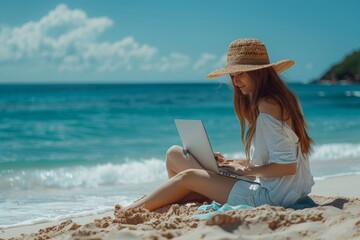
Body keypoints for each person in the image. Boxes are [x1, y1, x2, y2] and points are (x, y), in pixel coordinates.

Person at [119, 38, 315, 213]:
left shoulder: (268, 105)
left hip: (270, 197)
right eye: (232, 76)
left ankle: (131, 210)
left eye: (241, 74)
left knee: (188, 176)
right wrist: (233, 162)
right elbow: (274, 158)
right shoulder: (281, 100)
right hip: (269, 186)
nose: (235, 82)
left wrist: (244, 171)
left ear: (259, 73)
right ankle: (164, 198)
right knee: (175, 154)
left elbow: (288, 167)